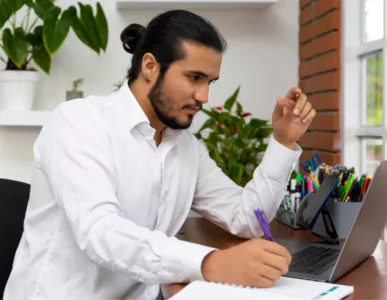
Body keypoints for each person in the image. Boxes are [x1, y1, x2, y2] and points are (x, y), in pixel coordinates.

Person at [4, 9, 315, 300]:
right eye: (194, 78)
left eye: (210, 82)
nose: (203, 97)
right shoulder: (79, 122)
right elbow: (100, 232)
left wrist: (284, 140)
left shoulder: (186, 148)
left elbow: (247, 218)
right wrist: (210, 263)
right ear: (150, 67)